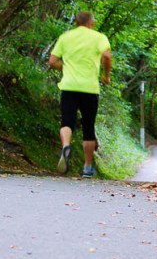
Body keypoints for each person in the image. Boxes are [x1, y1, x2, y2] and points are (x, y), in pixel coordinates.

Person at [48, 12, 112, 178]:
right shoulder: (99, 37)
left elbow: (52, 61)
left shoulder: (65, 37)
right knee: (88, 126)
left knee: (67, 121)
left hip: (69, 87)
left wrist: (67, 66)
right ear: (91, 23)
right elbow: (106, 56)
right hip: (90, 89)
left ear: (76, 23)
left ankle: (66, 146)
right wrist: (106, 75)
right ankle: (87, 167)